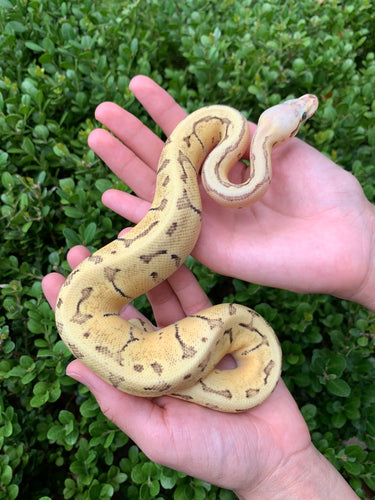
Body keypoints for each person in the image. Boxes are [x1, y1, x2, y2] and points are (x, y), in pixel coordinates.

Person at [42, 75, 374, 498]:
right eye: (302, 112)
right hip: (109, 322)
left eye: (301, 113)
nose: (305, 106)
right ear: (277, 135)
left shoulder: (230, 131)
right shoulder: (230, 133)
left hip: (115, 330)